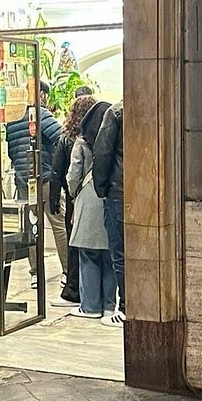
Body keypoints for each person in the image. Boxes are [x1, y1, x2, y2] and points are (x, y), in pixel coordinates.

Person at [6, 79, 63, 284]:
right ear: (40, 94)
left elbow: (11, 150)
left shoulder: (11, 119)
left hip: (23, 180)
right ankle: (67, 272)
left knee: (32, 226)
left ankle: (35, 273)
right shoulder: (40, 113)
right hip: (44, 178)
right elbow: (62, 137)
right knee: (58, 223)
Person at [66, 100, 116, 320]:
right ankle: (109, 305)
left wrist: (71, 192)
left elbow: (73, 175)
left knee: (87, 253)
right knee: (109, 255)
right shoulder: (116, 139)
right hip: (110, 197)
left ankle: (90, 306)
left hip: (88, 198)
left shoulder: (82, 142)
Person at [48, 92, 94, 307]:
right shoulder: (99, 137)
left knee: (74, 243)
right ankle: (99, 295)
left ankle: (74, 290)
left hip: (75, 199)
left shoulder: (67, 139)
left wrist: (55, 197)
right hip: (99, 197)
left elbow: (59, 172)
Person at [93, 99, 125, 326]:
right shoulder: (157, 103)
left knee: (121, 253)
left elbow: (102, 152)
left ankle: (125, 308)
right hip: (152, 194)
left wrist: (101, 188)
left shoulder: (116, 112)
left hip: (119, 192)